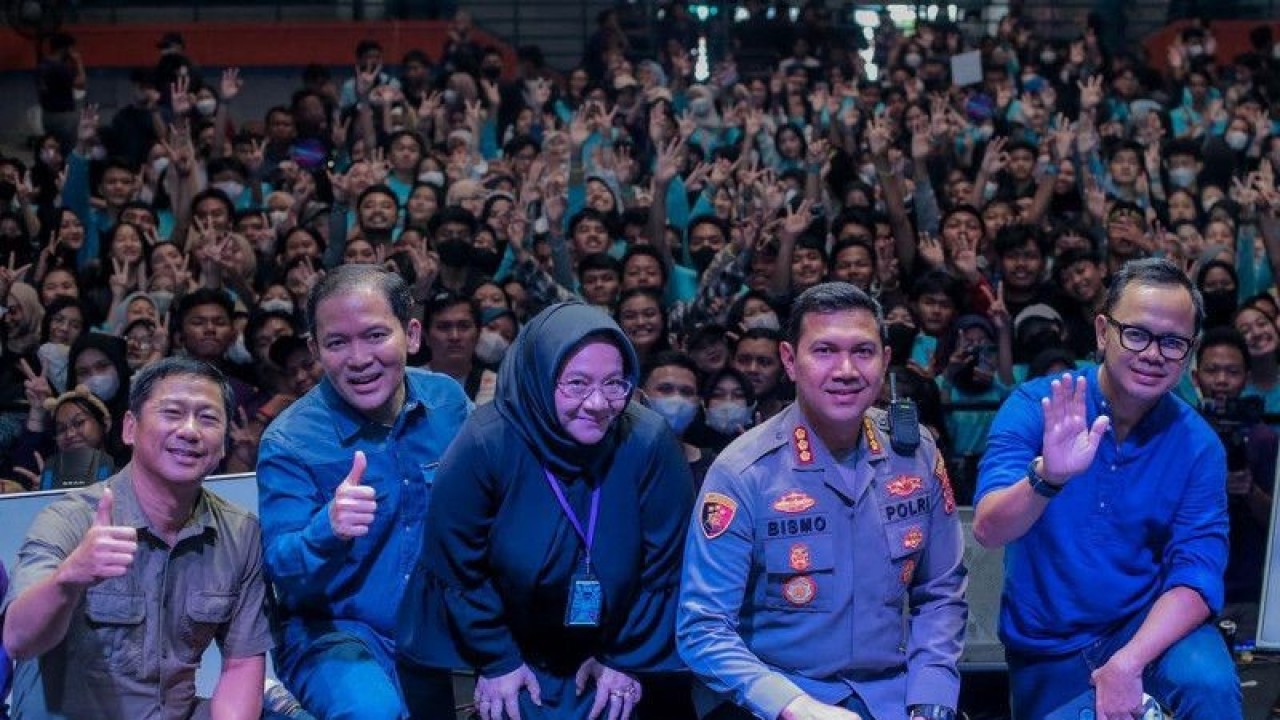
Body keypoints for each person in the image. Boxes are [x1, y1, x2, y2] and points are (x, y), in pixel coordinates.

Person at [678, 282, 967, 720]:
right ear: (790, 362)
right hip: (774, 697)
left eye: (864, 352)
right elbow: (703, 628)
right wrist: (793, 706)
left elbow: (941, 592)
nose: (846, 369)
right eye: (825, 351)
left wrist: (932, 696)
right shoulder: (744, 471)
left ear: (886, 361)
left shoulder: (916, 454)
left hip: (894, 697)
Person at [400, 301, 695, 720]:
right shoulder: (488, 443)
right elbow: (458, 567)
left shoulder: (647, 442)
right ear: (540, 376)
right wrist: (498, 658)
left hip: (625, 640)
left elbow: (664, 566)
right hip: (511, 645)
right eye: (576, 383)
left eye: (614, 383)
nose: (597, 403)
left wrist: (624, 657)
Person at [974, 257, 1241, 720]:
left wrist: (1130, 661)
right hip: (1047, 639)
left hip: (1146, 626)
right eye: (1136, 334)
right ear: (1103, 332)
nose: (1154, 353)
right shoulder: (1039, 405)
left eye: (1173, 342)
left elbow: (1197, 576)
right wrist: (1047, 477)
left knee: (1210, 685)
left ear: (1189, 351)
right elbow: (988, 529)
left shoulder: (1199, 446)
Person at [1, 356, 273, 719]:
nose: (190, 430)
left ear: (223, 444)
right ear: (130, 428)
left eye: (207, 418)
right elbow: (19, 640)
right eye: (172, 413)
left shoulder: (241, 533)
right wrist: (69, 578)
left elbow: (241, 667)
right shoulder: (71, 518)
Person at [256, 265, 471, 719]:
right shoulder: (289, 440)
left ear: (411, 334)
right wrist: (327, 530)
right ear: (316, 349)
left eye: (375, 335)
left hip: (436, 629)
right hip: (334, 632)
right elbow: (279, 566)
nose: (358, 358)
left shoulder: (448, 403)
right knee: (373, 711)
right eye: (337, 343)